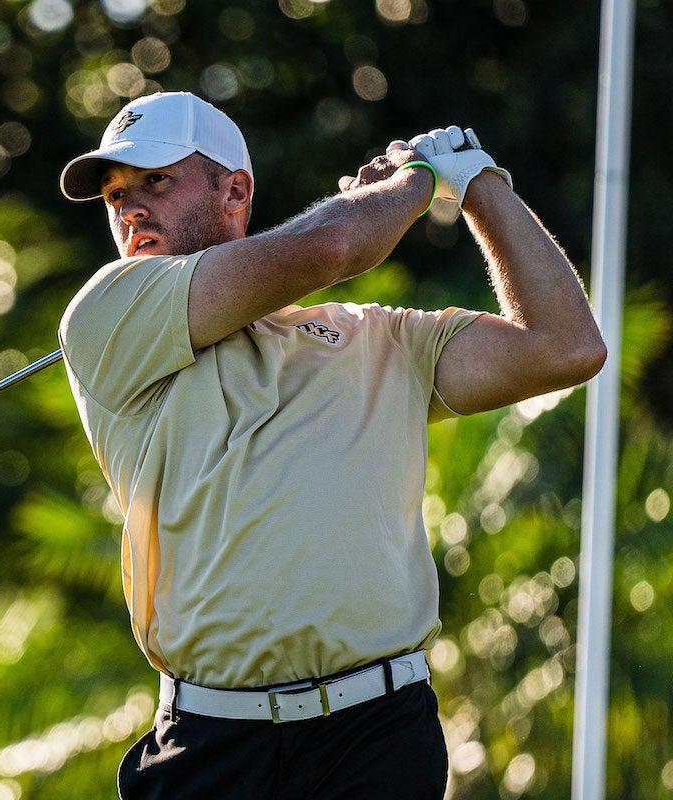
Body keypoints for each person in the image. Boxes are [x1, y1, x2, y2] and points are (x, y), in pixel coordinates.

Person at [56, 91, 605, 799]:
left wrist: (475, 182)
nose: (129, 208)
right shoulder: (108, 314)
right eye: (114, 195)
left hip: (376, 738)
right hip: (213, 747)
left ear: (235, 191)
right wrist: (413, 180)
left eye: (155, 181)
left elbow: (565, 347)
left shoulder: (375, 336)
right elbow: (333, 246)